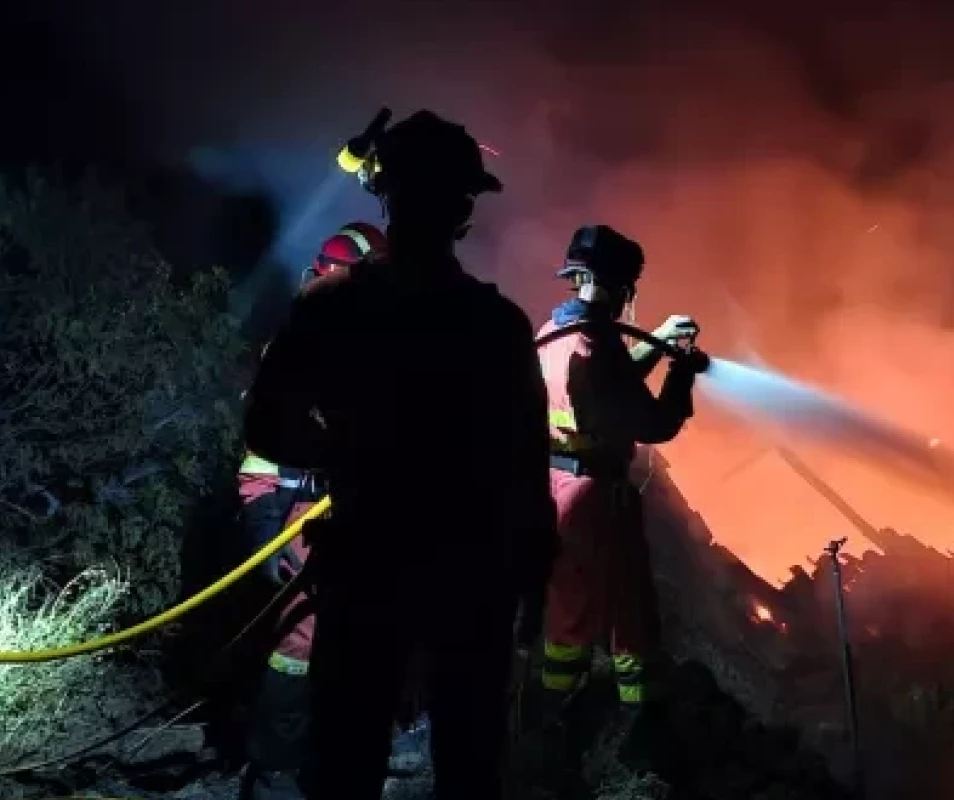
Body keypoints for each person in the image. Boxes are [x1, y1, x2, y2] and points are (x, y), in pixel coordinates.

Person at [243, 109, 556, 800]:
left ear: (384, 197)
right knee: (469, 761)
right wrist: (533, 587)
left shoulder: (330, 308)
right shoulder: (497, 327)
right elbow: (527, 476)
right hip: (471, 577)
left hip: (364, 563)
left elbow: (267, 428)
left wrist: (353, 457)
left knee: (345, 758)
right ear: (465, 211)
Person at [531, 224, 706, 764]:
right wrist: (681, 373)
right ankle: (633, 736)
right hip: (597, 498)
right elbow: (650, 422)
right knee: (628, 609)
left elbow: (606, 391)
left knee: (570, 609)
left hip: (558, 484)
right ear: (620, 284)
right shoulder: (599, 344)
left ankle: (545, 729)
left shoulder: (555, 332)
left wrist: (653, 341)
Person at [234, 223, 389, 800]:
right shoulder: (302, 344)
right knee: (297, 645)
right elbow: (260, 454)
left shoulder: (384, 343)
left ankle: (341, 756)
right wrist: (264, 525)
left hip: (368, 519)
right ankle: (274, 769)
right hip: (304, 513)